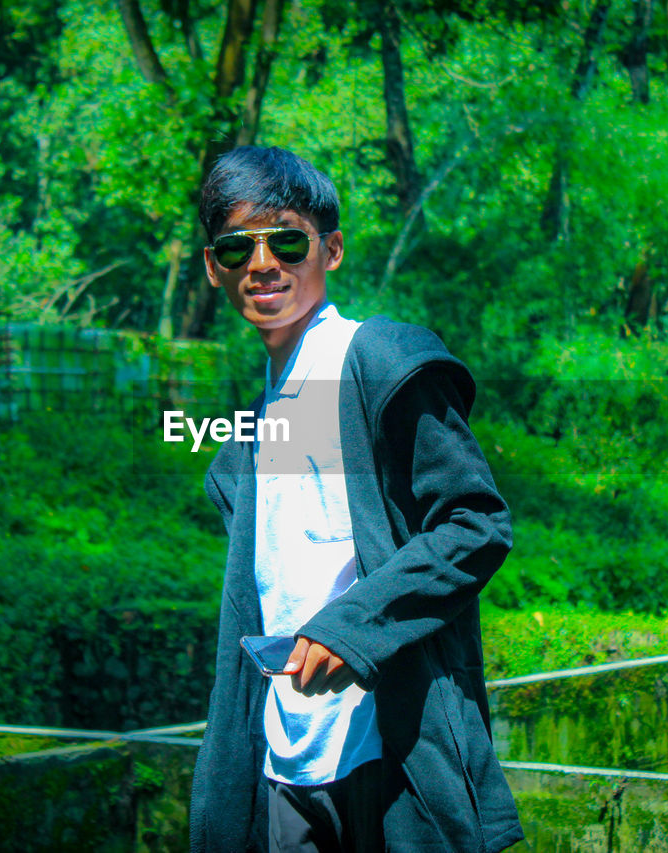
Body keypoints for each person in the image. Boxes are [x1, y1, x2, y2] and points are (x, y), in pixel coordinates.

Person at [189, 145, 522, 853]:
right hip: (285, 765)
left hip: (389, 754)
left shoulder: (378, 362)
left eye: (286, 239)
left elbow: (476, 522)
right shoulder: (247, 435)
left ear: (331, 249)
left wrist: (352, 628)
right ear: (214, 267)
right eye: (235, 247)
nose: (263, 263)